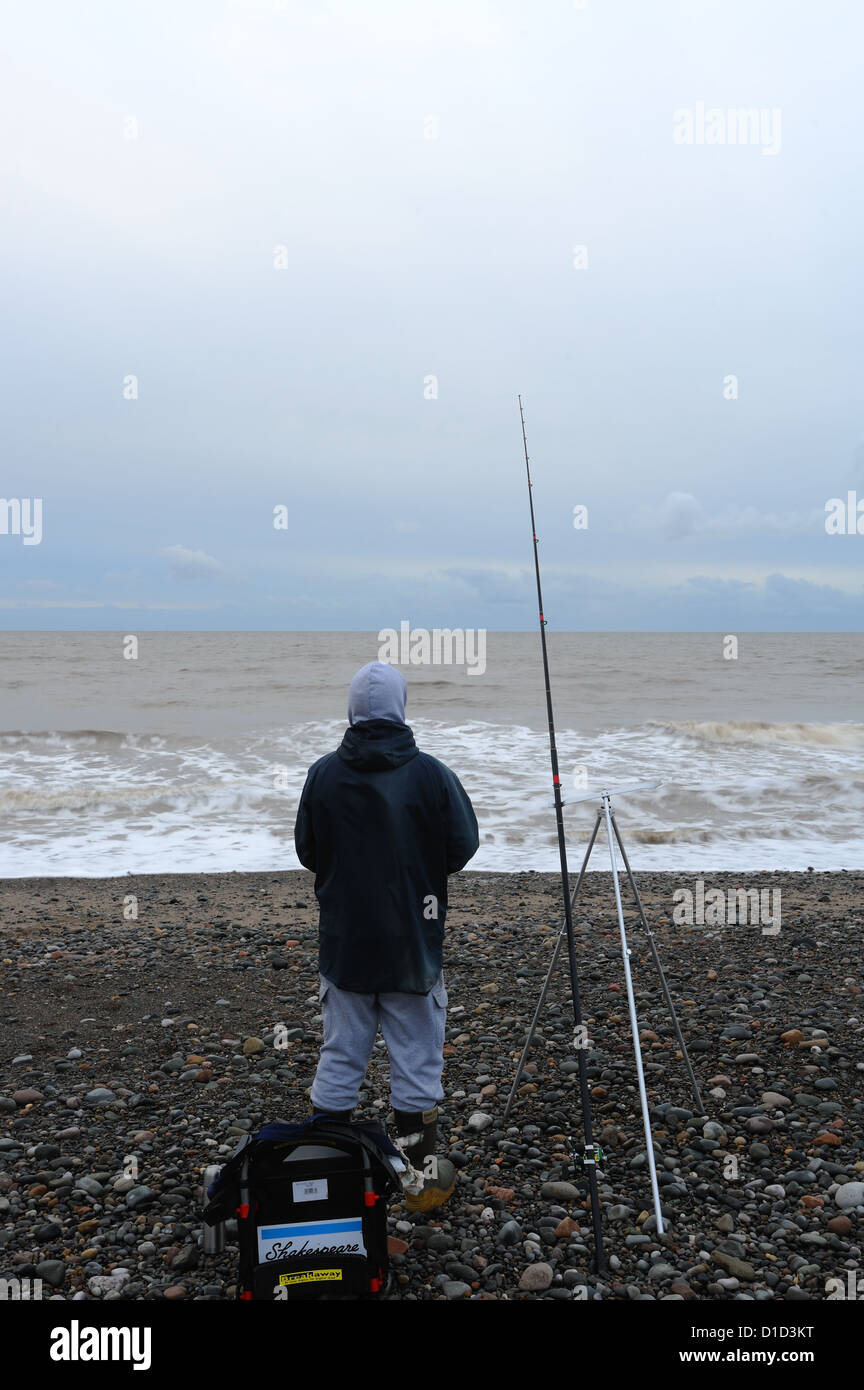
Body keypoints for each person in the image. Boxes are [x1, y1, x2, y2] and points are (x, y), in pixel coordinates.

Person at [294, 660, 479, 1211]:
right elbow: (463, 846)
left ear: (352, 710)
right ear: (401, 709)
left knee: (341, 1052)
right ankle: (420, 1182)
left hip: (346, 942)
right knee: (417, 1058)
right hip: (412, 947)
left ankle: (325, 1175)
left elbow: (308, 851)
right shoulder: (432, 775)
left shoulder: (323, 774)